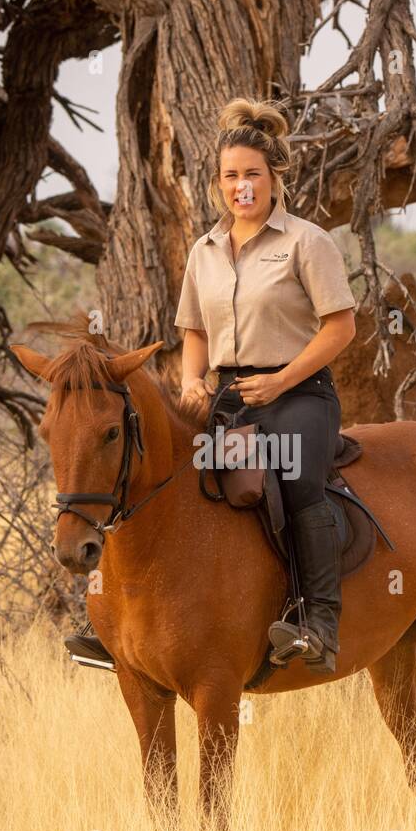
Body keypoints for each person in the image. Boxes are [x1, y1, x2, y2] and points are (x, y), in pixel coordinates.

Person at [64, 96, 357, 674]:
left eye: (253, 174)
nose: (241, 186)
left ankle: (318, 621)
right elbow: (194, 331)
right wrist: (191, 379)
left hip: (300, 394)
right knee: (154, 473)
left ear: (274, 177)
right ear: (218, 183)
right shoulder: (204, 251)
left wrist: (281, 380)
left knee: (296, 480)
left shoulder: (307, 242)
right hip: (228, 396)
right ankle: (117, 624)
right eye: (231, 176)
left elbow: (340, 327)